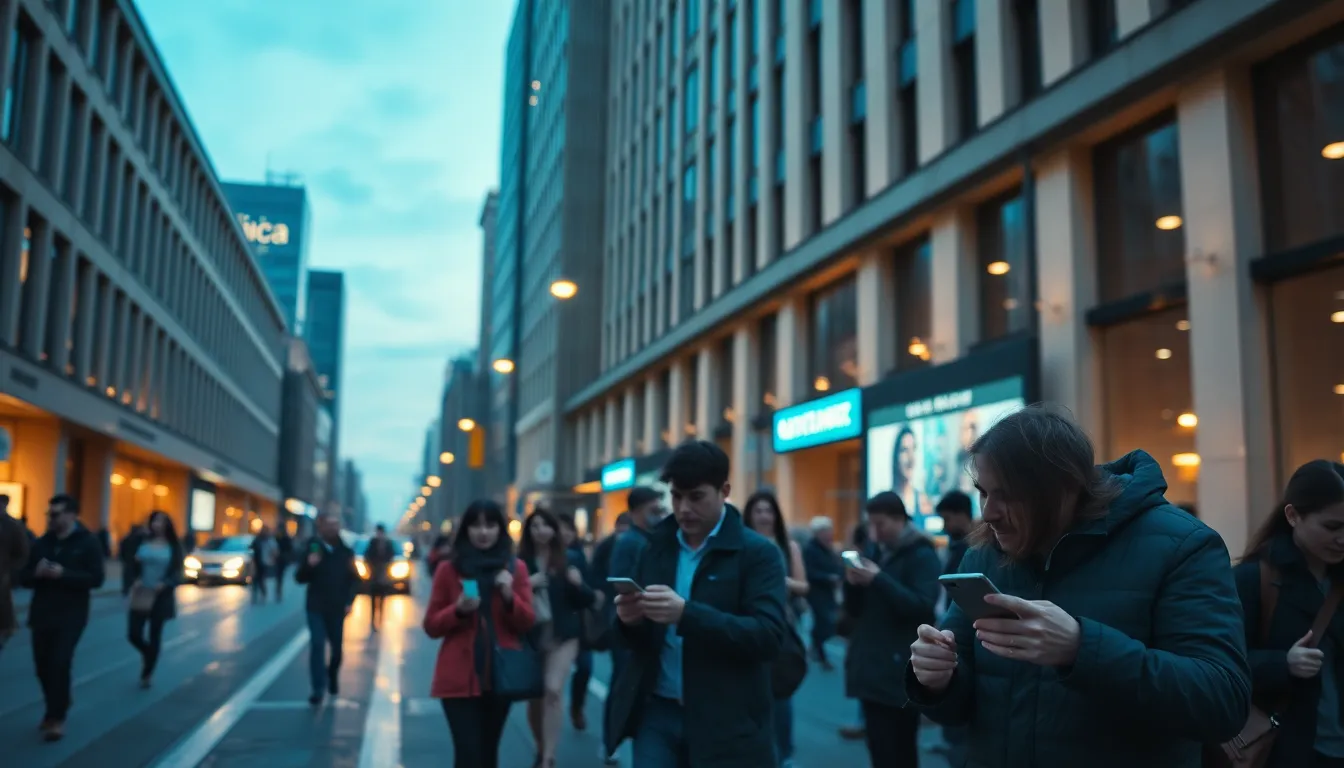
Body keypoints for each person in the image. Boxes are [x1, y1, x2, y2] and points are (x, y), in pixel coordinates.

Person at [904, 404, 1251, 766]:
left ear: (1062, 489)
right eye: (983, 492)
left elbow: (1222, 702)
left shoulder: (1183, 545)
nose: (988, 512)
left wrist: (1081, 648)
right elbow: (960, 707)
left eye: (1007, 495)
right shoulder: (985, 554)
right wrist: (935, 678)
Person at [606, 439, 790, 767]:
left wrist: (686, 614)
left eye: (696, 497)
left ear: (724, 490)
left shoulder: (758, 553)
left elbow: (769, 636)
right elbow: (634, 640)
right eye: (676, 497)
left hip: (728, 721)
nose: (684, 508)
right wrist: (628, 621)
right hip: (658, 713)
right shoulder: (656, 548)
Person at [1231, 460, 1344, 767]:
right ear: (1293, 516)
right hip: (1286, 750)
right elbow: (1221, 664)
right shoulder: (1255, 580)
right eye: (1332, 527)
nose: (1342, 539)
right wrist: (1283, 664)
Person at [425, 499, 536, 768]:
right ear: (466, 531)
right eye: (476, 525)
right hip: (458, 679)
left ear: (500, 529)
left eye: (490, 525)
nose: (483, 532)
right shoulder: (449, 569)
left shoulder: (515, 568)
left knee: (488, 755)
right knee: (468, 756)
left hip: (499, 677)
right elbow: (431, 625)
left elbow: (527, 622)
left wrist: (509, 596)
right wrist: (458, 610)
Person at [842, 490, 942, 766]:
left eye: (880, 525)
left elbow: (922, 607)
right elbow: (854, 611)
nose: (874, 533)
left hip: (900, 669)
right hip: (872, 666)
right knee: (879, 748)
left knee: (898, 750)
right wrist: (852, 582)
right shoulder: (876, 551)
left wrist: (878, 579)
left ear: (899, 520)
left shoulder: (922, 554)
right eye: (870, 525)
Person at [19, 494, 106, 742]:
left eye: (56, 514)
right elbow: (23, 578)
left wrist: (63, 574)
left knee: (60, 661)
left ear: (71, 515)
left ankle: (56, 717)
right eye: (49, 514)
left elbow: (96, 579)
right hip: (42, 613)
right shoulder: (42, 543)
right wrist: (35, 573)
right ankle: (59, 702)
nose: (51, 519)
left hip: (72, 615)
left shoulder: (88, 542)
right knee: (42, 667)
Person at [519, 507, 601, 767]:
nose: (540, 530)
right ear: (527, 532)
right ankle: (540, 745)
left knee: (553, 689)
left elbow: (590, 600)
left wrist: (578, 584)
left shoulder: (571, 558)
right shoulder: (520, 563)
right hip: (531, 636)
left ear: (554, 530)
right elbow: (507, 600)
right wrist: (525, 585)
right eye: (534, 526)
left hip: (565, 636)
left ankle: (548, 758)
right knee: (535, 697)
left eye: (546, 525)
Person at [745, 490, 809, 768]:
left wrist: (777, 580)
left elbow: (803, 585)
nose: (763, 516)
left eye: (768, 511)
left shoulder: (787, 546)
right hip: (745, 625)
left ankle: (784, 754)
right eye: (757, 511)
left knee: (780, 692)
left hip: (780, 626)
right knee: (748, 691)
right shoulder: (740, 544)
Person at [295, 513, 359, 706]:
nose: (332, 528)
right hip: (316, 607)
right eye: (328, 524)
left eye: (335, 524)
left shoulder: (346, 552)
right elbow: (299, 578)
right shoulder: (313, 549)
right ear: (321, 527)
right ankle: (317, 689)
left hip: (337, 608)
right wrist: (309, 565)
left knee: (337, 650)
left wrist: (349, 601)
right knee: (317, 644)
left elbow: (355, 580)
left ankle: (332, 675)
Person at [125, 510, 184, 688]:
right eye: (154, 521)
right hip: (142, 593)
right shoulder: (142, 541)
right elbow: (128, 560)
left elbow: (178, 573)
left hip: (161, 596)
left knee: (154, 634)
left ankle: (147, 673)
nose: (157, 524)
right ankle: (149, 653)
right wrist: (134, 579)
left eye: (161, 521)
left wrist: (165, 583)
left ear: (167, 525)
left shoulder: (174, 546)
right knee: (133, 634)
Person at [557, 512, 595, 732]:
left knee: (585, 668)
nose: (565, 534)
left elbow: (588, 591)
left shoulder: (578, 556)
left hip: (578, 622)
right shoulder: (544, 556)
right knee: (551, 684)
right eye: (561, 529)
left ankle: (576, 707)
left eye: (569, 529)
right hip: (552, 624)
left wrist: (580, 585)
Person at [802, 516, 843, 671]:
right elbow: (809, 572)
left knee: (826, 623)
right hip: (816, 592)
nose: (829, 534)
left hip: (828, 592)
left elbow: (836, 566)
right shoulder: (810, 550)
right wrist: (827, 577)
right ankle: (819, 653)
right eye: (825, 531)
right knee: (823, 622)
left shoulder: (829, 548)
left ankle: (815, 648)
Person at [0, 494, 29, 657]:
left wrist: (10, 573)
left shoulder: (12, 526)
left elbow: (22, 553)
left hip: (2, 578)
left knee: (4, 615)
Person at [365, 524, 396, 631]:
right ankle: (373, 620)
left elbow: (392, 555)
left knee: (382, 598)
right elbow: (367, 555)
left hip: (383, 575)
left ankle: (380, 620)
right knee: (373, 599)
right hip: (374, 574)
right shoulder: (373, 542)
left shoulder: (388, 543)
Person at [936, 490, 974, 575]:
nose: (944, 527)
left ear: (962, 515)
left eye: (947, 519)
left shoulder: (981, 548)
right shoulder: (952, 549)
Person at [117, 523, 146, 596]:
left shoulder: (127, 538)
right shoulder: (140, 539)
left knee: (128, 576)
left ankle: (126, 590)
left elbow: (122, 550)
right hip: (136, 561)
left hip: (128, 560)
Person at [274, 526, 294, 599]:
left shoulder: (282, 539)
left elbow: (289, 549)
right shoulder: (278, 538)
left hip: (281, 559)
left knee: (279, 575)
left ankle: (278, 590)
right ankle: (278, 590)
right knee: (279, 575)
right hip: (278, 559)